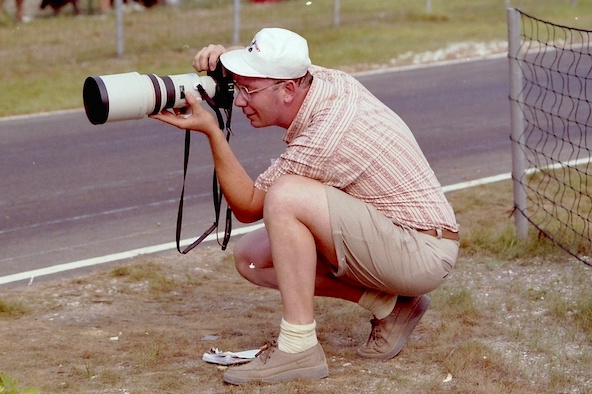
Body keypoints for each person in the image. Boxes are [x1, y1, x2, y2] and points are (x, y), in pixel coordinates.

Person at [150, 27, 459, 385]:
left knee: (285, 196)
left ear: (288, 90)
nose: (239, 101)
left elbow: (250, 208)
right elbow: (276, 68)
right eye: (240, 86)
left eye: (248, 90)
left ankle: (298, 349)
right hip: (395, 236)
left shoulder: (326, 134)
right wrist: (229, 62)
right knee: (252, 258)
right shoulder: (320, 80)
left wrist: (212, 133)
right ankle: (390, 306)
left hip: (422, 251)